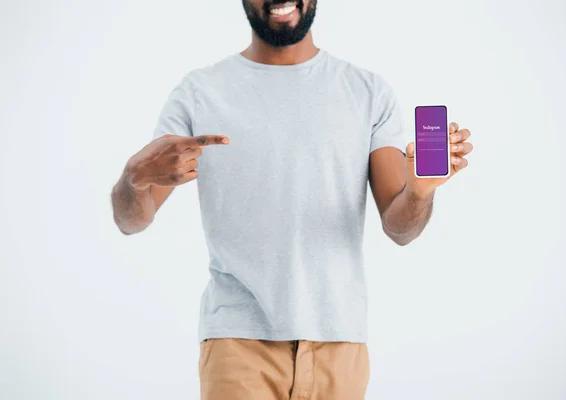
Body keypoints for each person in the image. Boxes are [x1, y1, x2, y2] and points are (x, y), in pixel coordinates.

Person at [110, 0, 473, 398]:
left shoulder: (367, 92)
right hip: (237, 343)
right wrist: (133, 179)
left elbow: (399, 228)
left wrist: (419, 191)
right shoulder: (199, 93)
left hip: (340, 344)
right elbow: (132, 220)